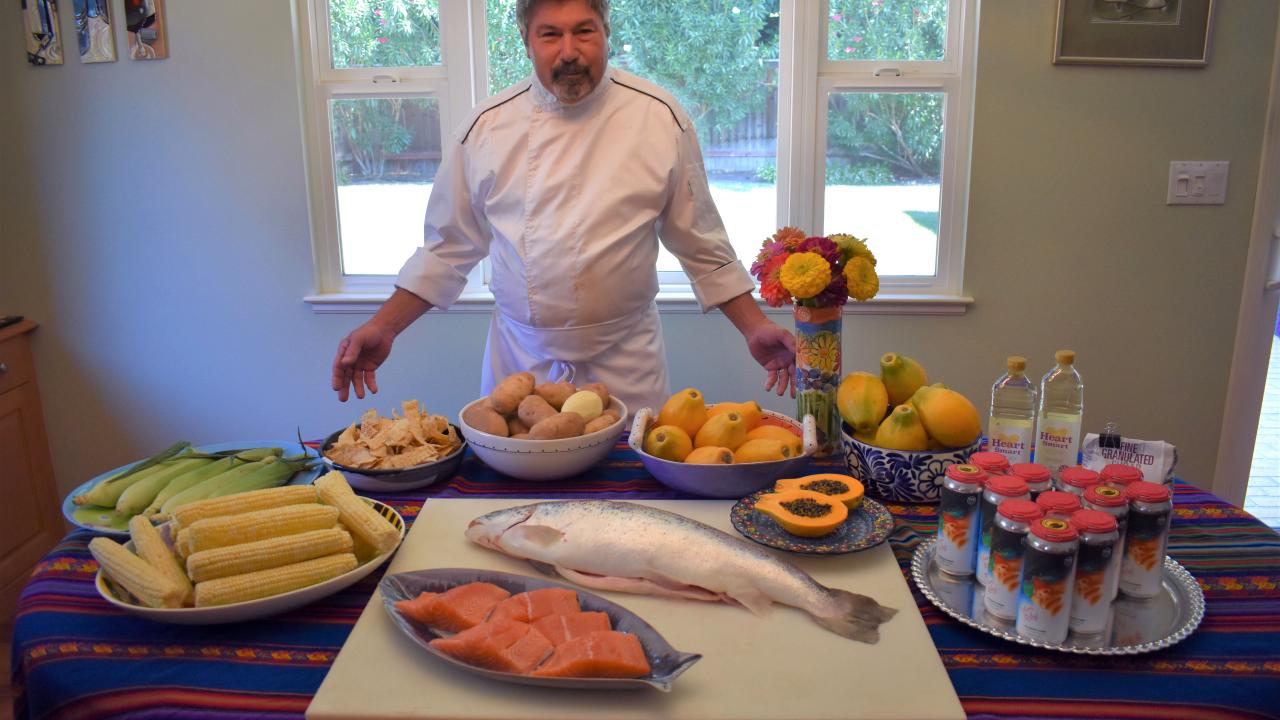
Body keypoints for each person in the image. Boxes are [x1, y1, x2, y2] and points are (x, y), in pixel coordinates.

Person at [331, 0, 796, 414]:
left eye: (584, 31)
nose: (569, 51)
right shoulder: (486, 129)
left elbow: (702, 245)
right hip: (521, 366)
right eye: (550, 34)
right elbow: (446, 251)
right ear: (527, 41)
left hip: (627, 364)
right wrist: (384, 328)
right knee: (519, 484)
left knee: (629, 482)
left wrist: (754, 326)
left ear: (606, 32)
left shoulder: (659, 118)